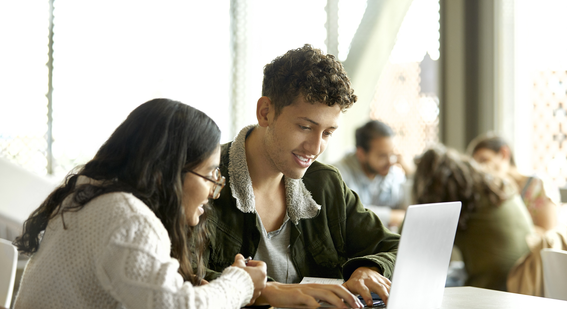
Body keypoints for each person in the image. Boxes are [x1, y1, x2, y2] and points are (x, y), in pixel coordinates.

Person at [12, 99, 267, 309]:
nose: (214, 192)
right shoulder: (127, 218)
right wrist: (241, 282)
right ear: (164, 173)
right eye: (211, 175)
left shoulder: (89, 196)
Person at [204, 44, 399, 308]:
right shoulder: (202, 178)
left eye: (328, 132)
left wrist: (369, 269)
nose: (316, 147)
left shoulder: (325, 184)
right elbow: (178, 277)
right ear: (265, 112)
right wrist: (266, 291)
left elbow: (397, 248)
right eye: (305, 127)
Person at [412, 145, 535, 291]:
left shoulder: (460, 197)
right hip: (523, 281)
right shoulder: (494, 186)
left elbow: (418, 250)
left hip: (492, 289)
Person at [467, 133, 560, 233]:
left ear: (504, 153)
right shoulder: (494, 192)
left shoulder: (539, 184)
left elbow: (549, 235)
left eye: (484, 160)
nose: (481, 169)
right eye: (476, 166)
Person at [333, 120, 410, 229]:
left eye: (392, 154)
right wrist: (392, 216)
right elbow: (349, 213)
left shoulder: (391, 172)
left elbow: (409, 210)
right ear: (361, 154)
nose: (391, 161)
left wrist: (411, 174)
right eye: (382, 156)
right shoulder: (338, 174)